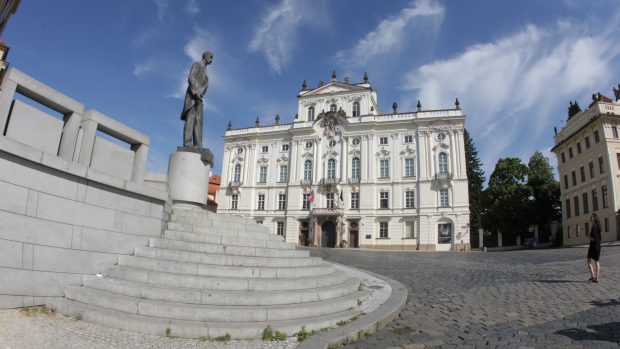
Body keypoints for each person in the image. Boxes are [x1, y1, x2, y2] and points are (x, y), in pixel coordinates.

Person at [180, 51, 214, 148]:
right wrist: (195, 92)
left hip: (199, 99)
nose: (211, 60)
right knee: (190, 120)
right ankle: (187, 144)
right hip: (192, 97)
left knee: (198, 122)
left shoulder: (205, 70)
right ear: (205, 56)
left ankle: (197, 145)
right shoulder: (197, 64)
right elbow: (191, 77)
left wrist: (200, 95)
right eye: (211, 57)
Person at [587, 213, 602, 282]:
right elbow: (600, 238)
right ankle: (596, 278)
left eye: (591, 217)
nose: (590, 218)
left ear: (594, 218)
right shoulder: (598, 226)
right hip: (598, 245)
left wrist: (589, 237)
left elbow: (594, 238)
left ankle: (593, 276)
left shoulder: (594, 227)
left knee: (589, 261)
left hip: (593, 246)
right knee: (596, 261)